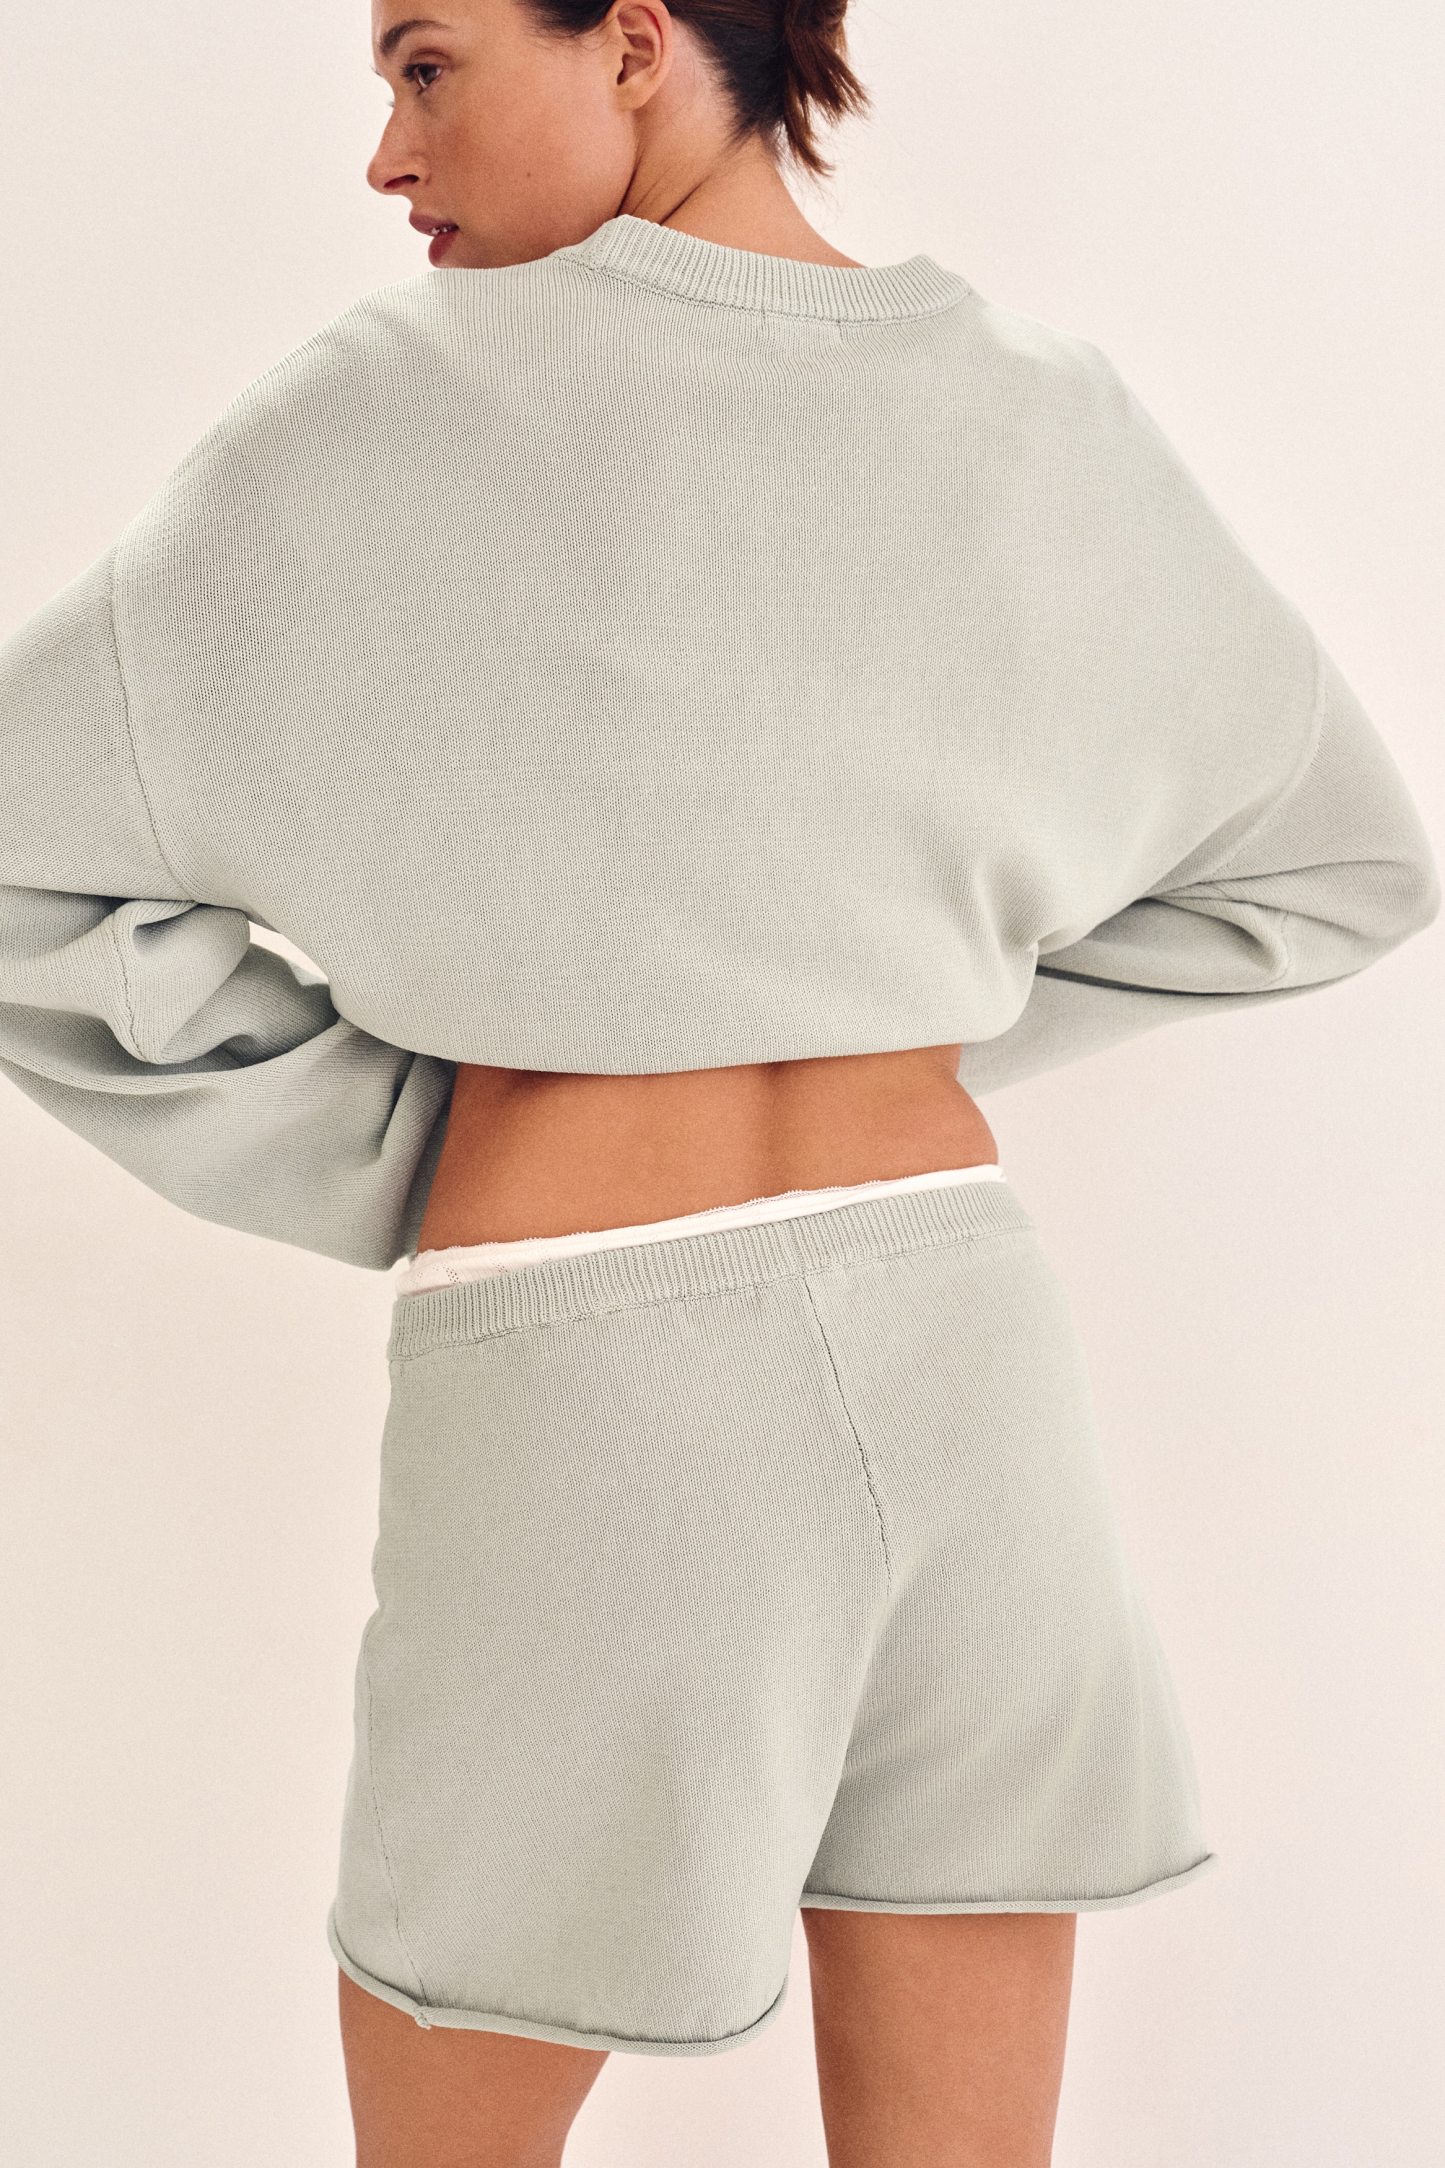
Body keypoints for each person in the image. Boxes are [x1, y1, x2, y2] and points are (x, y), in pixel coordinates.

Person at [1, 2, 1437, 2163]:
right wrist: (885, 1011)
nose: (386, 154)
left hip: (599, 1379)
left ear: (635, 42)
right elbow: (1332, 863)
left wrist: (407, 1132)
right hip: (965, 1341)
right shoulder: (1039, 411)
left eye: (423, 65)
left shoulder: (391, 404)